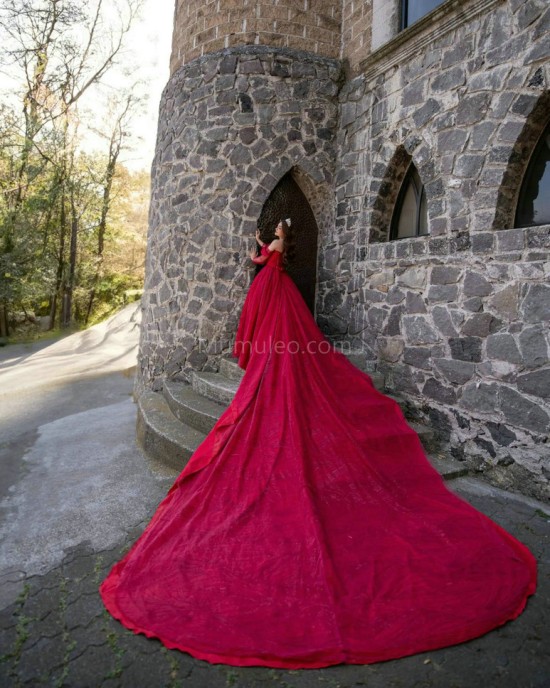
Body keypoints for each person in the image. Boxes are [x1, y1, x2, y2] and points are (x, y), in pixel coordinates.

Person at [100, 217, 537, 670]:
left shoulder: (280, 242)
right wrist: (261, 246)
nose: (274, 233)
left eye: (276, 230)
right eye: (275, 230)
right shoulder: (269, 247)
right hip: (270, 286)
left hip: (275, 289)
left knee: (286, 348)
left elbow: (273, 255)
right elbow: (263, 258)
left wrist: (277, 240)